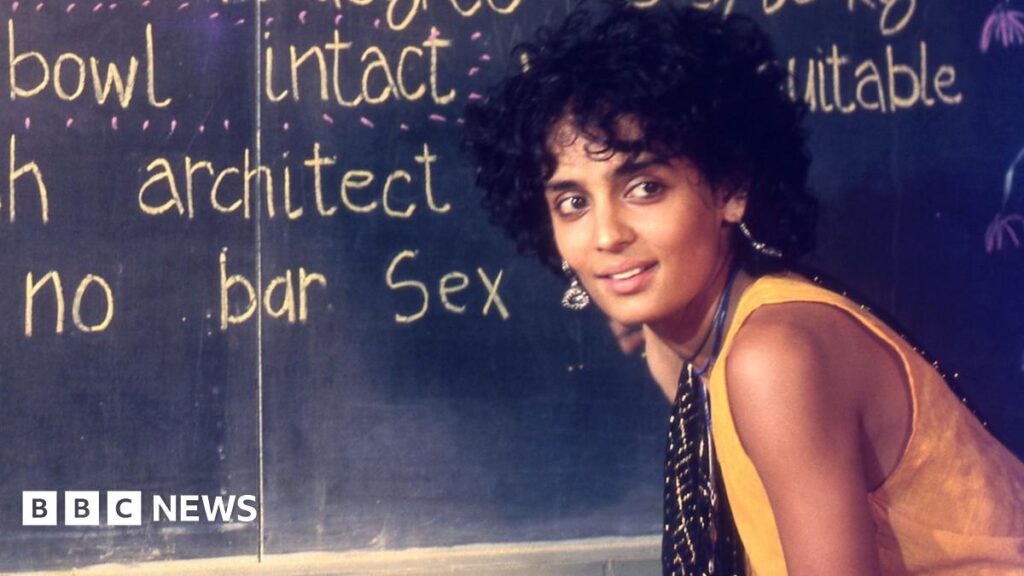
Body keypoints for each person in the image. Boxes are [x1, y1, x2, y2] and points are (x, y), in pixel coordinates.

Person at [462, 1, 1024, 574]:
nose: (606, 234)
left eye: (645, 188)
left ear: (731, 189)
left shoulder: (773, 356)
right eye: (573, 202)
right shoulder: (706, 340)